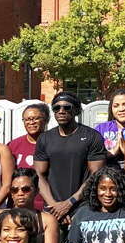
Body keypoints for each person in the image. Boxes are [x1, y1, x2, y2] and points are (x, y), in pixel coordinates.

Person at [33, 91, 106, 227]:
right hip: (52, 210)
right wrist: (55, 206)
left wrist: (69, 203)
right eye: (56, 108)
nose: (61, 111)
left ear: (76, 110)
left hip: (83, 208)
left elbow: (96, 175)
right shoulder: (44, 138)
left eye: (67, 107)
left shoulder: (92, 136)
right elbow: (38, 175)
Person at [0, 169, 58, 243]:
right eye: (14, 190)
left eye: (26, 189)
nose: (20, 193)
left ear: (36, 191)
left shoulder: (48, 220)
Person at [94, 88, 125, 169]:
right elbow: (92, 158)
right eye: (116, 106)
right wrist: (112, 153)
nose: (121, 109)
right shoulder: (101, 128)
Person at [7, 103, 50, 171]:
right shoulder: (13, 145)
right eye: (27, 119)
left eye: (35, 118)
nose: (31, 122)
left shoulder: (53, 143)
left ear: (45, 120)